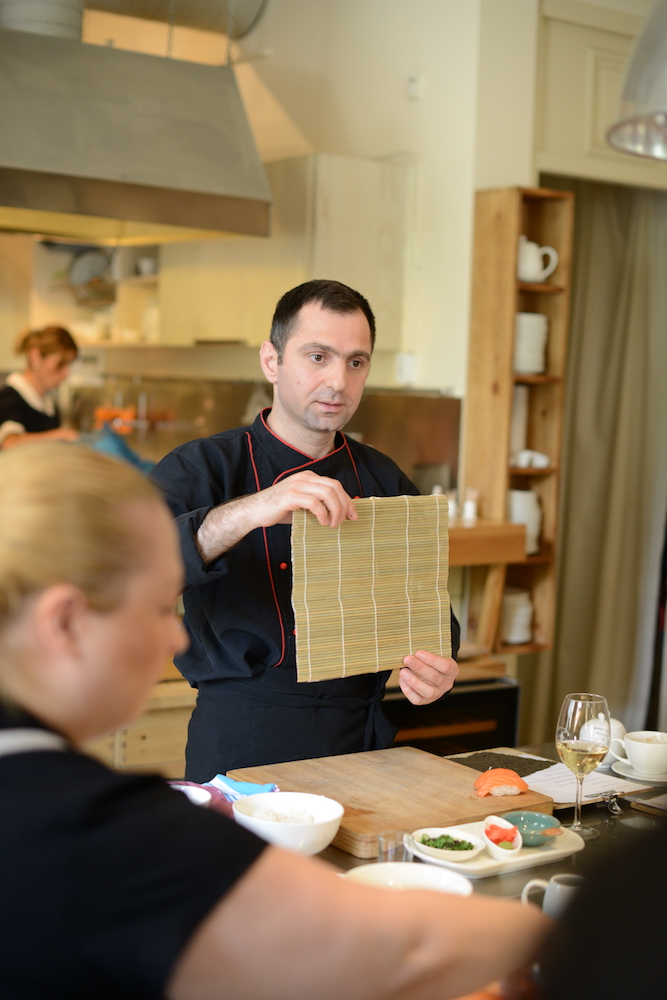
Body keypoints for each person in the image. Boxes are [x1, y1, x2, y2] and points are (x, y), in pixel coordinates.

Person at [0, 442, 550, 1000]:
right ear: (63, 623)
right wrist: (571, 931)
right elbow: (402, 949)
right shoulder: (99, 832)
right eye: (162, 606)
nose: (175, 637)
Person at [151, 279, 461, 780]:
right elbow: (131, 572)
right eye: (318, 356)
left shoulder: (385, 479)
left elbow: (430, 613)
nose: (338, 381)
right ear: (271, 361)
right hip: (241, 742)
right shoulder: (202, 466)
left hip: (361, 744)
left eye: (355, 362)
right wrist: (254, 508)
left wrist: (436, 667)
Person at [0, 324, 79, 449]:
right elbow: (9, 443)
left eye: (69, 365)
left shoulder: (48, 404)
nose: (66, 374)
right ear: (35, 356)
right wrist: (61, 435)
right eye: (61, 364)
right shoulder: (9, 398)